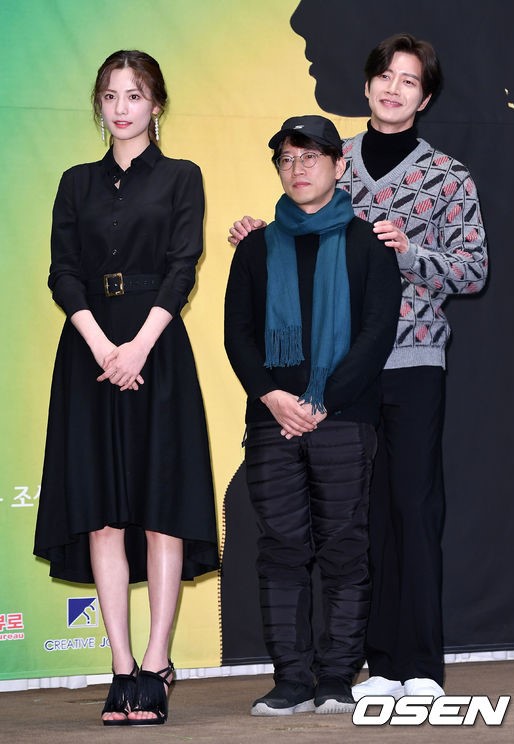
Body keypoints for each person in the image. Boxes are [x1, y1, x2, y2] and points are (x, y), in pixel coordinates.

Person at [228, 34, 488, 700]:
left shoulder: (448, 175)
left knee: (413, 508)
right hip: (337, 373)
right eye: (385, 77)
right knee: (358, 521)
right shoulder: (330, 156)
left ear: (425, 98)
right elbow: (298, 234)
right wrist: (261, 238)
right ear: (368, 85)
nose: (394, 89)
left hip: (411, 359)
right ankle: (376, 663)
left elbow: (473, 270)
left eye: (409, 81)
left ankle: (419, 666)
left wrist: (412, 253)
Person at [33, 50, 219, 726]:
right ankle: (119, 667)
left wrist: (138, 346)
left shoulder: (181, 177)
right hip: (89, 353)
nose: (121, 107)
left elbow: (183, 265)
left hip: (156, 349)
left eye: (134, 95)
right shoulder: (75, 182)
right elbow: (62, 271)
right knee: (103, 515)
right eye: (110, 95)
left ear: (155, 104)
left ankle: (156, 663)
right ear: (99, 104)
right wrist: (102, 346)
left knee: (162, 509)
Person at [225, 115, 401, 715]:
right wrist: (273, 396)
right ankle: (292, 680)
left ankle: (336, 678)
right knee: (280, 549)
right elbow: (238, 335)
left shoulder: (369, 245)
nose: (297, 169)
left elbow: (376, 335)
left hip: (344, 419)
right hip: (271, 420)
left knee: (345, 549)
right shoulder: (255, 247)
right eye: (287, 159)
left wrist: (322, 401)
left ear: (338, 165)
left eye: (310, 157)